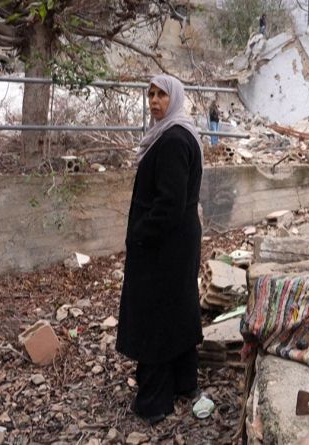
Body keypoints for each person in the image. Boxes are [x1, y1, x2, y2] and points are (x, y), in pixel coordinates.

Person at [116, 74, 204, 426]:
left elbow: (169, 203)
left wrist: (140, 233)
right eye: (150, 94)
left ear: (175, 99)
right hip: (178, 242)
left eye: (162, 95)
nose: (154, 101)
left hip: (164, 246)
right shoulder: (178, 134)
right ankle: (184, 383)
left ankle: (155, 401)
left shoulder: (171, 140)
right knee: (178, 308)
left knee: (155, 316)